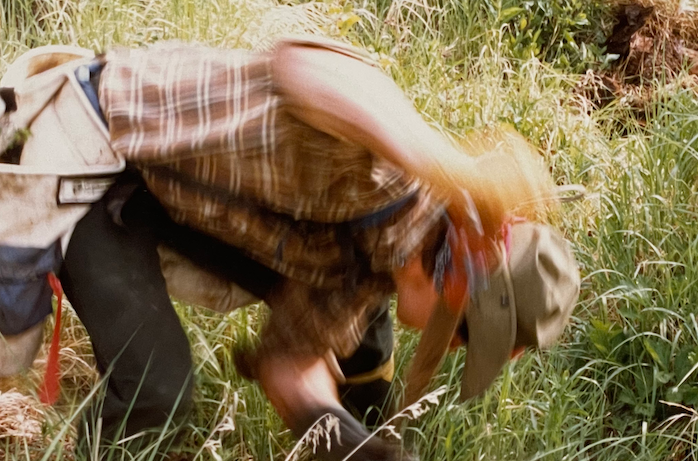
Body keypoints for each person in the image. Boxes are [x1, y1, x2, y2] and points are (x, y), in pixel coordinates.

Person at [0, 36, 580, 460]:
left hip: (149, 202)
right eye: (462, 337)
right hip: (85, 151)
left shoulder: (366, 275)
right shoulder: (383, 175)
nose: (449, 348)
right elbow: (302, 66)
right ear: (455, 287)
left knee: (366, 339)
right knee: (158, 392)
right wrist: (446, 167)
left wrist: (351, 446)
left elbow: (287, 365)